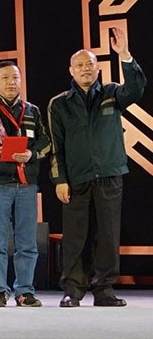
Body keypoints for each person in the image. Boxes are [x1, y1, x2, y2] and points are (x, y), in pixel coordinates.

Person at [48, 27, 145, 308]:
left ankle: (104, 290)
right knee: (75, 237)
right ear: (71, 70)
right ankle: (73, 290)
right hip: (76, 179)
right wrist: (60, 179)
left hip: (110, 175)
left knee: (108, 234)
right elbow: (56, 146)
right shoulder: (59, 104)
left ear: (98, 69)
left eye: (90, 64)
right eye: (79, 65)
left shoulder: (112, 93)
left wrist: (124, 54)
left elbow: (136, 88)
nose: (85, 69)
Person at [0, 61, 50, 308]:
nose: (12, 82)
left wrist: (32, 154)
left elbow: (45, 141)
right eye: (6, 78)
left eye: (16, 78)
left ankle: (24, 291)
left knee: (27, 242)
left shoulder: (32, 111)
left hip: (26, 184)